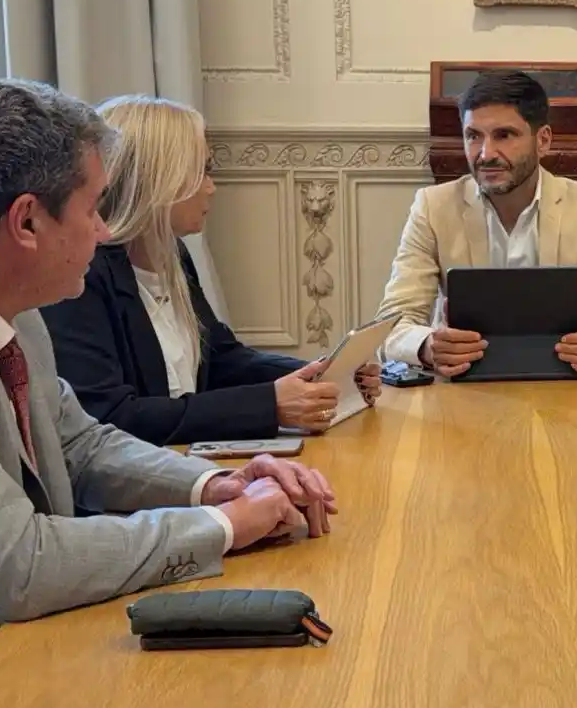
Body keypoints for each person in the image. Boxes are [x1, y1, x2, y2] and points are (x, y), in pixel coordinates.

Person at [0, 78, 336, 708]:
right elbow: (14, 569)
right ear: (26, 223)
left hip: (17, 651)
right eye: (91, 208)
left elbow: (80, 442)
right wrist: (230, 529)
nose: (106, 231)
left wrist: (216, 486)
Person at [40, 95, 380, 446]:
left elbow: (219, 358)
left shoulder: (172, 254)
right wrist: (269, 405)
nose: (211, 187)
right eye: (202, 171)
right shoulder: (82, 276)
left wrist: (321, 374)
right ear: (159, 180)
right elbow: (112, 418)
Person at [373, 70, 577, 377]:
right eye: (473, 136)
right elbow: (391, 324)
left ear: (543, 141)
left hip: (568, 387)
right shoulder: (432, 207)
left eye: (504, 135)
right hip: (465, 390)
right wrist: (428, 346)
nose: (486, 154)